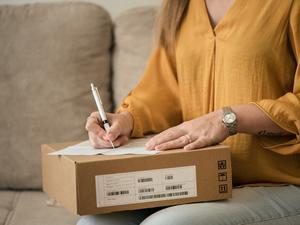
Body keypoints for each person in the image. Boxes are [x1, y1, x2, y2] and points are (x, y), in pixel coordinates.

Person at [79, 0, 300, 224]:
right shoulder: (180, 5)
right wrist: (128, 119)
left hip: (281, 182)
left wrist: (228, 119)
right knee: (94, 222)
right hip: (200, 181)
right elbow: (165, 90)